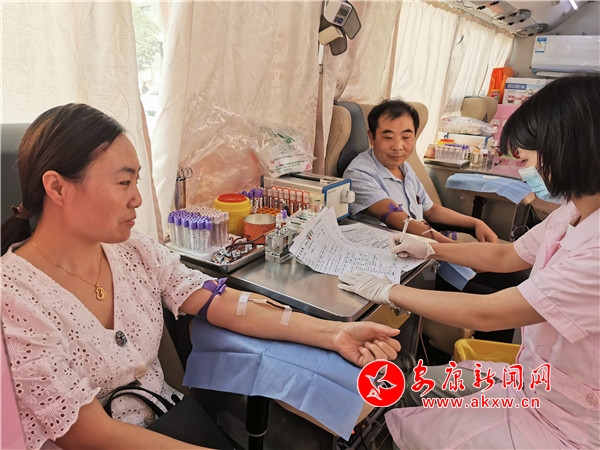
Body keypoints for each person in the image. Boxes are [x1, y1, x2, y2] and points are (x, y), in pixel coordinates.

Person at [0, 103, 401, 450]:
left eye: (136, 181)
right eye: (123, 182)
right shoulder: (14, 297)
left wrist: (334, 333)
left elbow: (220, 302)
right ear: (57, 187)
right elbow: (89, 435)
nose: (137, 198)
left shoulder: (134, 252)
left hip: (167, 420)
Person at [338, 74, 600, 448]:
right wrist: (433, 249)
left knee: (421, 429)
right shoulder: (573, 211)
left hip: (567, 418)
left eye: (526, 160)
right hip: (534, 378)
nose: (525, 172)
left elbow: (489, 313)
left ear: (567, 152)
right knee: (411, 387)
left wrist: (387, 291)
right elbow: (506, 254)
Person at [342, 99, 498, 244]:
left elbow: (430, 210)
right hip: (393, 249)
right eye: (388, 137)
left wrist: (476, 223)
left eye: (406, 137)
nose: (398, 146)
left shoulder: (404, 167)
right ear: (372, 137)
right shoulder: (359, 173)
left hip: (422, 243)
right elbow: (400, 221)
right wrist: (454, 248)